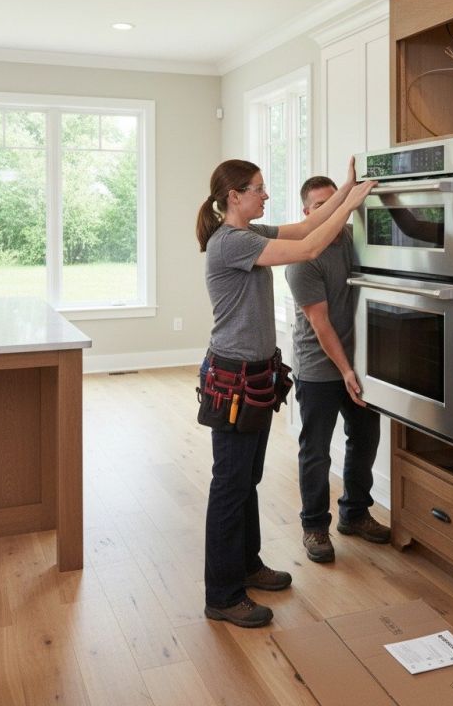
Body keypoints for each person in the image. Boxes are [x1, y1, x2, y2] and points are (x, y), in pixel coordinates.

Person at [195, 158, 374, 629]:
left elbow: (307, 224)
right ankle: (222, 593)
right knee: (230, 487)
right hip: (233, 380)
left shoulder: (250, 232)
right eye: (257, 189)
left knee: (246, 479)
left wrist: (346, 188)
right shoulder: (231, 243)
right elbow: (313, 243)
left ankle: (247, 565)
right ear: (234, 196)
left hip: (253, 377)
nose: (265, 195)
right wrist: (352, 204)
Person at [285, 175, 390, 564]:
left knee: (364, 440)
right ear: (307, 213)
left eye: (335, 202)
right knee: (315, 452)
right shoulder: (301, 258)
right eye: (318, 206)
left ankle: (355, 513)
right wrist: (346, 370)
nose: (328, 210)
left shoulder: (353, 237)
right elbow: (321, 323)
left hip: (362, 363)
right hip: (319, 368)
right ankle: (314, 527)